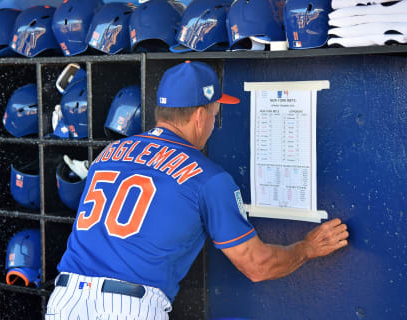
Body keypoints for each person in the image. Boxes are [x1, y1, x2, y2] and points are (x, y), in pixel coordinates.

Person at [45, 61, 349, 320]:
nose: (213, 124)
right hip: (127, 306)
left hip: (65, 299)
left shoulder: (109, 152)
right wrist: (308, 248)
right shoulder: (209, 178)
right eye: (215, 115)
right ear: (200, 116)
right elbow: (258, 266)